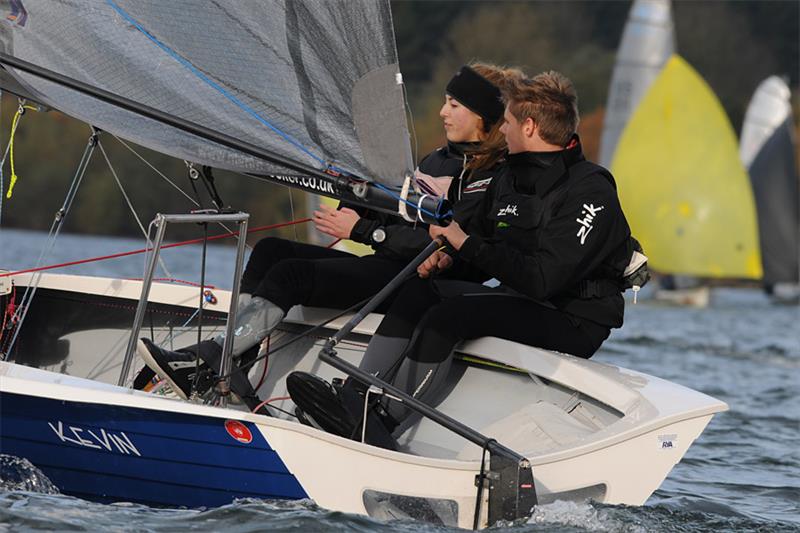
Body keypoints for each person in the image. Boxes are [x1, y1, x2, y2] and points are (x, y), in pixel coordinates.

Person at [136, 64, 520, 413]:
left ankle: (207, 362)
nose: (442, 112)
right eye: (444, 102)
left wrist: (362, 229)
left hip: (417, 284)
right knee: (271, 250)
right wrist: (357, 193)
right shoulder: (437, 160)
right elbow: (399, 215)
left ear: (483, 116)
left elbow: (448, 249)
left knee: (291, 276)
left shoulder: (494, 177)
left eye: (454, 104)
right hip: (388, 266)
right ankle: (232, 366)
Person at [288, 71, 634, 448]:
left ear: (530, 127)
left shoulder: (591, 190)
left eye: (509, 122)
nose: (501, 130)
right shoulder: (508, 179)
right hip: (522, 297)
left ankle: (384, 420)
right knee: (422, 291)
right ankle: (355, 396)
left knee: (448, 316)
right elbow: (477, 249)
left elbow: (543, 278)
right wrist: (447, 259)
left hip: (574, 317)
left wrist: (465, 245)